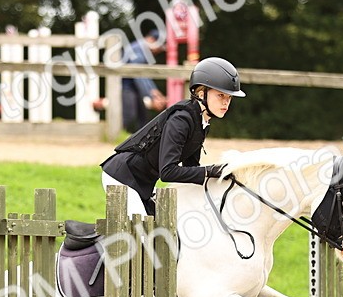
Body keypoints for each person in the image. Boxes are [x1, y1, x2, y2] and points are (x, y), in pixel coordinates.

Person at [100, 57, 244, 217]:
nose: (226, 103)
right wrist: (211, 171)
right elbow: (168, 172)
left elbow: (191, 168)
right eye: (220, 96)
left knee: (165, 231)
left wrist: (220, 175)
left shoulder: (201, 122)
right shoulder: (181, 121)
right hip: (121, 178)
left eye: (229, 97)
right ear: (202, 94)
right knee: (141, 236)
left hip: (143, 183)